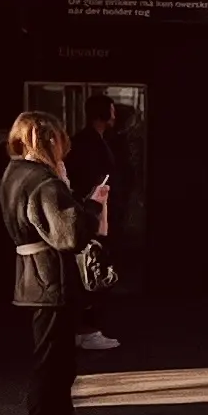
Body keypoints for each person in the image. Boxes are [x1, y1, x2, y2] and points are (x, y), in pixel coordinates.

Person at [0, 112, 100, 415]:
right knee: (51, 366)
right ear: (50, 141)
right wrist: (93, 204)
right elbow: (70, 235)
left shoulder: (14, 174)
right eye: (60, 142)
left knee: (59, 364)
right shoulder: (44, 182)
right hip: (51, 280)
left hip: (30, 276)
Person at [65, 95, 125, 355]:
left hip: (97, 214)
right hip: (95, 216)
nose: (115, 116)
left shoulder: (87, 141)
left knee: (91, 270)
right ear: (102, 114)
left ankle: (84, 328)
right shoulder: (91, 144)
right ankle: (88, 330)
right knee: (93, 270)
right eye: (111, 111)